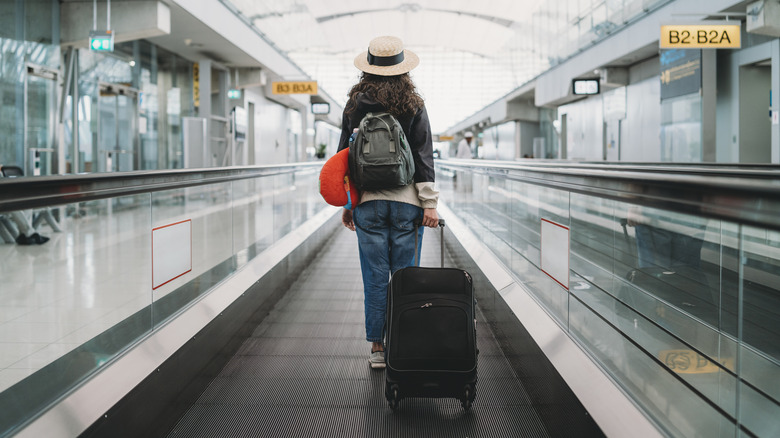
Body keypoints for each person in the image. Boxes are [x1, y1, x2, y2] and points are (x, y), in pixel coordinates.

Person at [338, 36, 439, 369]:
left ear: (367, 70)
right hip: (408, 205)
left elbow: (343, 159)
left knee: (375, 276)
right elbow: (424, 156)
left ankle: (378, 349)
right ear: (402, 70)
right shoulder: (413, 104)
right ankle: (405, 343)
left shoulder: (354, 105)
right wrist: (429, 204)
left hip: (368, 204)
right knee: (405, 276)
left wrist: (348, 203)